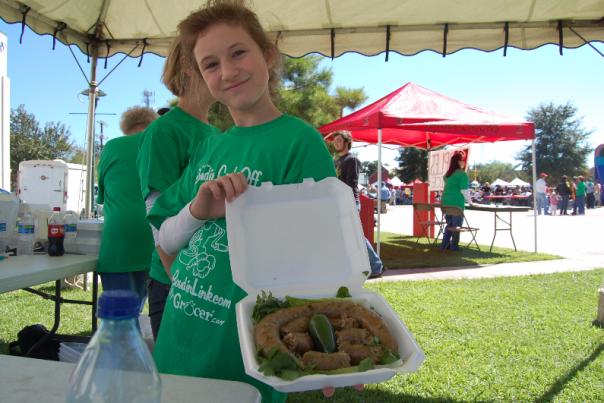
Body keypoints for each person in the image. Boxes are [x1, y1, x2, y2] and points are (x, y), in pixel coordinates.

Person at [148, 2, 337, 401]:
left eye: (238, 53)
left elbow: (321, 255)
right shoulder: (209, 147)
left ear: (267, 54)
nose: (228, 72)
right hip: (178, 344)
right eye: (210, 64)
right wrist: (197, 212)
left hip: (246, 354)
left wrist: (325, 342)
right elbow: (164, 239)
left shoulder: (299, 143)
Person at [137, 38, 218, 340]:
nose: (225, 73)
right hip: (175, 278)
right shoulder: (164, 131)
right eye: (211, 64)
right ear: (187, 70)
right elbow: (155, 209)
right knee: (178, 382)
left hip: (209, 274)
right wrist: (180, 280)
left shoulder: (215, 134)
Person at [96, 107, 158, 310]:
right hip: (157, 236)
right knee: (148, 311)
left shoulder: (112, 147)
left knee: (120, 316)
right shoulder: (159, 147)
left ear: (126, 126)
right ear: (153, 124)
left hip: (119, 241)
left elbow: (102, 196)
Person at [332, 130, 384, 278]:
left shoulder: (351, 160)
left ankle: (376, 266)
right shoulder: (336, 161)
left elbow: (351, 183)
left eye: (339, 140)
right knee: (344, 236)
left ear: (347, 143)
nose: (336, 142)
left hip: (349, 202)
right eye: (335, 140)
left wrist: (344, 200)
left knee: (355, 236)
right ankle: (348, 266)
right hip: (338, 202)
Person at [440, 151, 472, 251]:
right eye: (463, 160)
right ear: (459, 162)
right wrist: (471, 202)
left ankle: (444, 245)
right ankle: (454, 246)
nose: (464, 162)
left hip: (445, 204)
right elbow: (464, 191)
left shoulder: (448, 175)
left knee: (449, 226)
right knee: (456, 227)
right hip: (456, 204)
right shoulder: (462, 174)